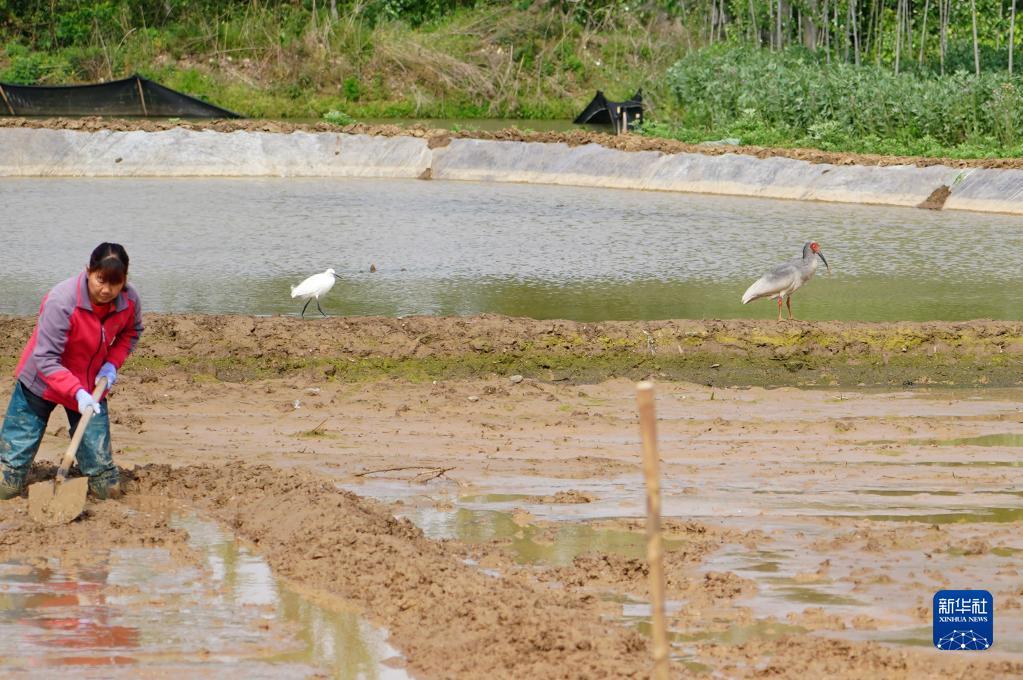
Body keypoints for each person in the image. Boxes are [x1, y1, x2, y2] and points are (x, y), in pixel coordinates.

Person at [0, 243, 143, 501]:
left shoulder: (129, 301)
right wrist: (75, 391)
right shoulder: (62, 301)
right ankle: (11, 473)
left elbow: (131, 333)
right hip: (41, 382)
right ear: (89, 271)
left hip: (90, 386)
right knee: (6, 483)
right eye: (100, 280)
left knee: (106, 487)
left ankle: (95, 476)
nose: (107, 290)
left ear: (125, 280)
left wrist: (112, 364)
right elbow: (45, 358)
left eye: (115, 283)